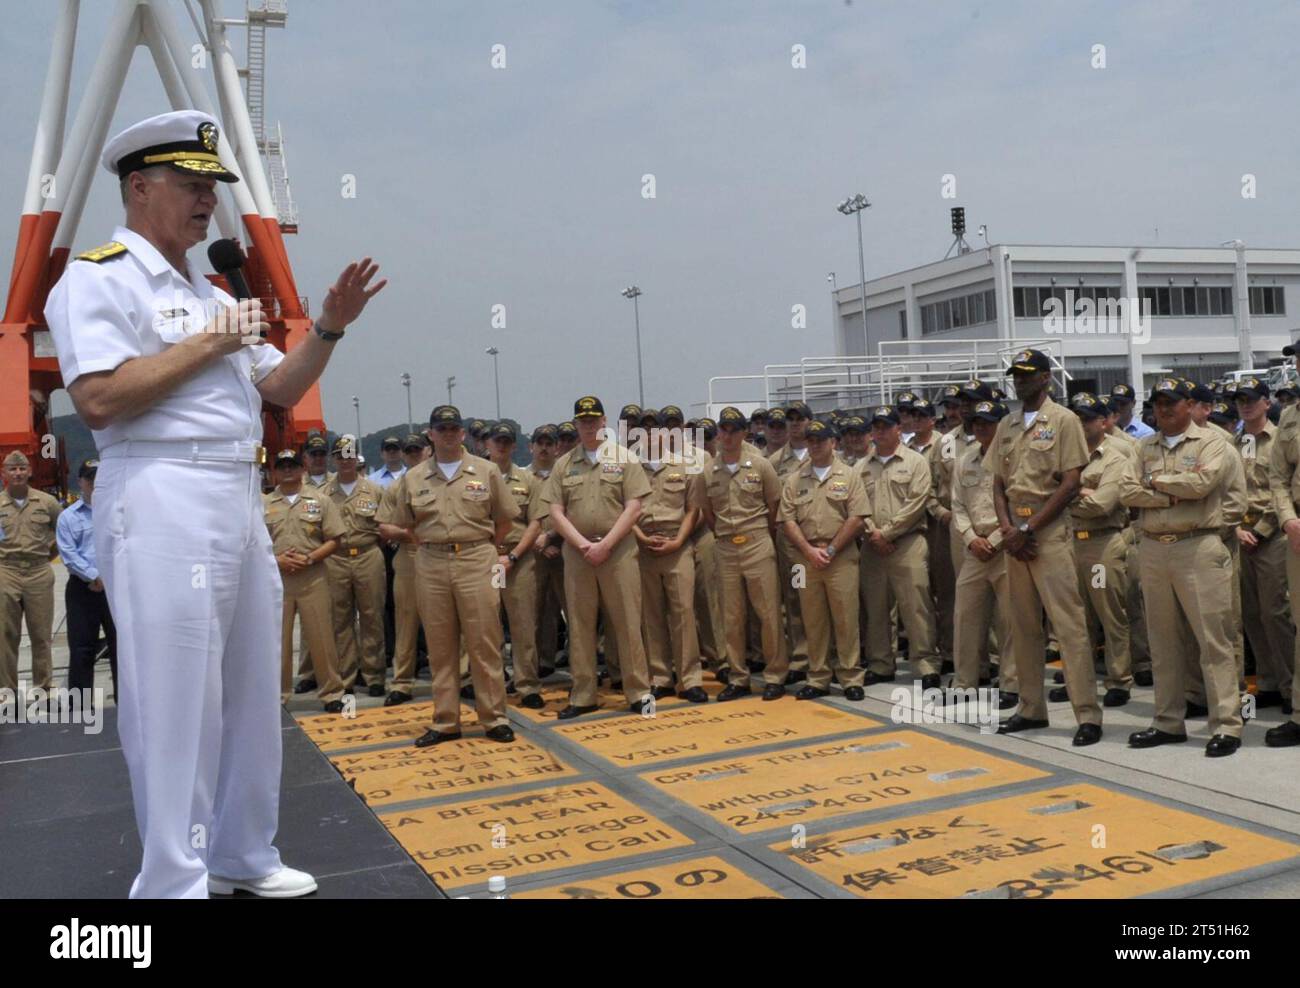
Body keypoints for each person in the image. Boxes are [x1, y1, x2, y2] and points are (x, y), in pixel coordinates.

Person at [44, 109, 385, 897]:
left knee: (248, 691)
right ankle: (171, 877)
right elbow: (96, 399)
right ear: (139, 187)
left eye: (211, 187)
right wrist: (211, 341)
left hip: (235, 494)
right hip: (160, 491)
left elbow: (277, 386)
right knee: (173, 697)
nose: (207, 201)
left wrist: (329, 328)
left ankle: (243, 851)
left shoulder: (207, 287)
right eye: (191, 185)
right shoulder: (99, 276)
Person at [379, 406, 518, 744]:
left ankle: (494, 717)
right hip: (431, 563)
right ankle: (445, 721)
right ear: (431, 434)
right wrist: (433, 547)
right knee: (440, 647)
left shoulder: (486, 471)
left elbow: (505, 522)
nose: (448, 434)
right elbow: (404, 525)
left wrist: (481, 549)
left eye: (453, 428)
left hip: (476, 559)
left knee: (484, 642)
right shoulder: (412, 478)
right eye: (441, 429)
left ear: (463, 433)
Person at [1121, 378, 1241, 756]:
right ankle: (1168, 721)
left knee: (1212, 641)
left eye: (1172, 403)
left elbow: (1202, 484)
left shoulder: (1211, 442)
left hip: (1198, 546)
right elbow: (1126, 490)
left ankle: (1226, 725)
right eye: (1158, 404)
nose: (1164, 410)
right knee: (1163, 642)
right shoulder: (1144, 446)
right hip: (1154, 549)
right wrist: (1173, 491)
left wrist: (1153, 484)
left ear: (1190, 405)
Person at [993, 349, 1102, 746]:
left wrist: (1028, 528)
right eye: (1015, 376)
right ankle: (1031, 708)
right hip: (1016, 539)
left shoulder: (1064, 420)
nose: (1019, 381)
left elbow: (1071, 482)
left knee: (1069, 627)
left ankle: (1087, 714)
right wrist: (1008, 529)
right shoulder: (1006, 424)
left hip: (1048, 533)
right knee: (1022, 627)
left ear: (1045, 378)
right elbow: (998, 484)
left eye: (1027, 375)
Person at [542, 396, 654, 718]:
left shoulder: (624, 459)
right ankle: (583, 695)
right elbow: (555, 511)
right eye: (582, 420)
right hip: (578, 556)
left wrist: (606, 544)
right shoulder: (564, 464)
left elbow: (634, 506)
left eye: (594, 419)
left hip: (618, 553)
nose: (588, 425)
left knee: (629, 624)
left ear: (603, 422)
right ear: (576, 424)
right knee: (580, 627)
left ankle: (640, 693)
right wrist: (581, 544)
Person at [779, 419, 870, 700]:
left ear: (834, 442)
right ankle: (818, 677)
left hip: (840, 557)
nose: (815, 444)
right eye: (811, 440)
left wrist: (830, 550)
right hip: (805, 560)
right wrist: (808, 551)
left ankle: (850, 676)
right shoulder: (795, 479)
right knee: (812, 619)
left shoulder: (850, 475)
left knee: (845, 618)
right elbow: (787, 520)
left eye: (821, 439)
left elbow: (857, 517)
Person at [702, 406, 788, 700]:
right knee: (731, 616)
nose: (727, 435)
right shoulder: (708, 470)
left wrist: (760, 535)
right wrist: (724, 534)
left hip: (757, 542)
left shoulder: (760, 465)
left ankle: (776, 674)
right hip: (725, 546)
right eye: (722, 430)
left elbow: (774, 505)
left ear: (744, 433)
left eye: (733, 430)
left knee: (768, 613)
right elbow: (708, 512)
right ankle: (739, 677)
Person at [858, 406, 942, 687]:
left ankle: (926, 664)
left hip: (907, 543)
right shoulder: (861, 467)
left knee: (916, 607)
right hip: (872, 546)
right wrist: (874, 534)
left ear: (898, 429)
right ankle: (881, 663)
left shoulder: (916, 462)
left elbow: (917, 502)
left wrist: (889, 533)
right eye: (876, 427)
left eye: (886, 426)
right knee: (877, 608)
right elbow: (856, 507)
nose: (880, 432)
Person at [635, 407, 708, 702]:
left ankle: (690, 679)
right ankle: (661, 678)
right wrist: (640, 538)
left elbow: (694, 508)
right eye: (646, 428)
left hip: (677, 546)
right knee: (651, 617)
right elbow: (622, 508)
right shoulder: (629, 465)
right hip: (643, 548)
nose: (652, 434)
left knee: (683, 614)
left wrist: (678, 541)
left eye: (657, 428)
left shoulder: (685, 464)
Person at [265, 448, 348, 709]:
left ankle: (332, 693)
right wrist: (277, 560)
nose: (287, 470)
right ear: (274, 471)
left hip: (312, 575)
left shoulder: (320, 500)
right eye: (282, 466)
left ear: (302, 469)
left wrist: (310, 558)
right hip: (277, 578)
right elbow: (253, 544)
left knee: (322, 637)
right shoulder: (263, 504)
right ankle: (277, 695)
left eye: (292, 465)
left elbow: (335, 539)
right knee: (278, 639)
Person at [1066, 394, 1134, 708]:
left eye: (1087, 418)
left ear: (1102, 421)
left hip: (1099, 545)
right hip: (1070, 543)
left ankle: (1119, 679)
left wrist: (1069, 491)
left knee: (1107, 614)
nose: (1081, 424)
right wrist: (1080, 492)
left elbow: (1101, 504)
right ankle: (1081, 682)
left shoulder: (1115, 458)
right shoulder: (1066, 457)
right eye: (1076, 418)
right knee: (1077, 618)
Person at [1233, 377, 1295, 715]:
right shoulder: (1237, 441)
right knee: (1252, 614)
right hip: (1241, 536)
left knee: (1276, 613)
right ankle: (1269, 682)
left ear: (1265, 401)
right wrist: (1236, 529)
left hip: (1271, 535)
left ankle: (1289, 686)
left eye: (1251, 399)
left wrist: (1259, 530)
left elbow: (1280, 489)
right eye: (1239, 399)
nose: (1245, 405)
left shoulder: (1278, 440)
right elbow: (1230, 487)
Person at [950, 400, 1016, 707]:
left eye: (987, 422)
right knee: (965, 616)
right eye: (976, 422)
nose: (981, 428)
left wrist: (993, 539)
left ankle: (1012, 684)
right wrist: (971, 538)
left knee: (1010, 621)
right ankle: (966, 682)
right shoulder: (964, 459)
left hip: (1006, 548)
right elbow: (957, 505)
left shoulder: (1013, 456)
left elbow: (1018, 504)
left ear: (1001, 424)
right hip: (974, 549)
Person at [485, 422, 547, 708]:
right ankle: (493, 684)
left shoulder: (527, 480)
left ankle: (527, 685)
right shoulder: (474, 477)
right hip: (485, 560)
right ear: (487, 444)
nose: (501, 446)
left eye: (507, 442)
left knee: (523, 625)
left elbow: (535, 522)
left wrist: (513, 556)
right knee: (488, 626)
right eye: (497, 441)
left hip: (518, 560)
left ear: (515, 446)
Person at [323, 435, 388, 697]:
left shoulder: (374, 490)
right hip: (335, 559)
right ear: (334, 459)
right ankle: (346, 676)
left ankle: (374, 674)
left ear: (357, 458)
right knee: (340, 620)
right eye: (340, 456)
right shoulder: (323, 494)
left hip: (367, 555)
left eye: (350, 456)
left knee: (372, 616)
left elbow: (385, 526)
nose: (345, 461)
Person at [0, 450, 62, 694]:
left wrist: (48, 555)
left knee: (41, 634)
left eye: (22, 468)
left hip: (38, 572)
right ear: (4, 473)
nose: (18, 473)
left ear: (30, 471)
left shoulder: (47, 503)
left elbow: (63, 534)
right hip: (7, 572)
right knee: (6, 635)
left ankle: (44, 688)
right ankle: (6, 690)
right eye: (12, 469)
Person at [56, 458, 118, 701]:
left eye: (99, 478)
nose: (95, 483)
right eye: (90, 478)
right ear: (80, 481)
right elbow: (68, 553)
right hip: (83, 588)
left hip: (113, 587)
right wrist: (93, 576)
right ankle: (80, 702)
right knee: (82, 646)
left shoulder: (117, 510)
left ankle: (126, 700)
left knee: (120, 646)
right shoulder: (68, 517)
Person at [380, 434, 432, 705]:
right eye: (408, 450)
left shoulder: (440, 479)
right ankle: (401, 681)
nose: (413, 454)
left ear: (427, 450)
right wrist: (413, 534)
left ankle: (461, 677)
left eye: (417, 449)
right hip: (409, 558)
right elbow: (384, 527)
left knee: (448, 620)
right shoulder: (396, 487)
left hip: (440, 558)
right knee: (405, 621)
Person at [768, 401, 813, 682]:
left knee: (829, 601)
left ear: (810, 421)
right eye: (790, 420)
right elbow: (772, 504)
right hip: (791, 544)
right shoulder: (774, 463)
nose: (795, 424)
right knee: (796, 599)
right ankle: (802, 657)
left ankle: (828, 655)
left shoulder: (825, 453)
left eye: (800, 419)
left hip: (825, 540)